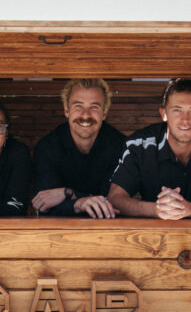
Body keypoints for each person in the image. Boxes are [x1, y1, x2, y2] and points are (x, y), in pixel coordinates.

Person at [108, 78, 191, 219]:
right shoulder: (139, 145)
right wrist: (157, 209)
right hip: (151, 233)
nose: (185, 120)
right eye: (177, 110)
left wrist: (188, 209)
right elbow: (115, 199)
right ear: (163, 114)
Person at [31, 78, 126, 218]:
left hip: (107, 228)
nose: (85, 115)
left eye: (94, 107)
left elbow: (114, 203)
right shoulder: (47, 147)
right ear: (66, 111)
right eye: (78, 106)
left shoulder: (120, 146)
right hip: (58, 231)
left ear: (104, 113)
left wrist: (67, 194)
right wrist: (80, 201)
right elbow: (44, 206)